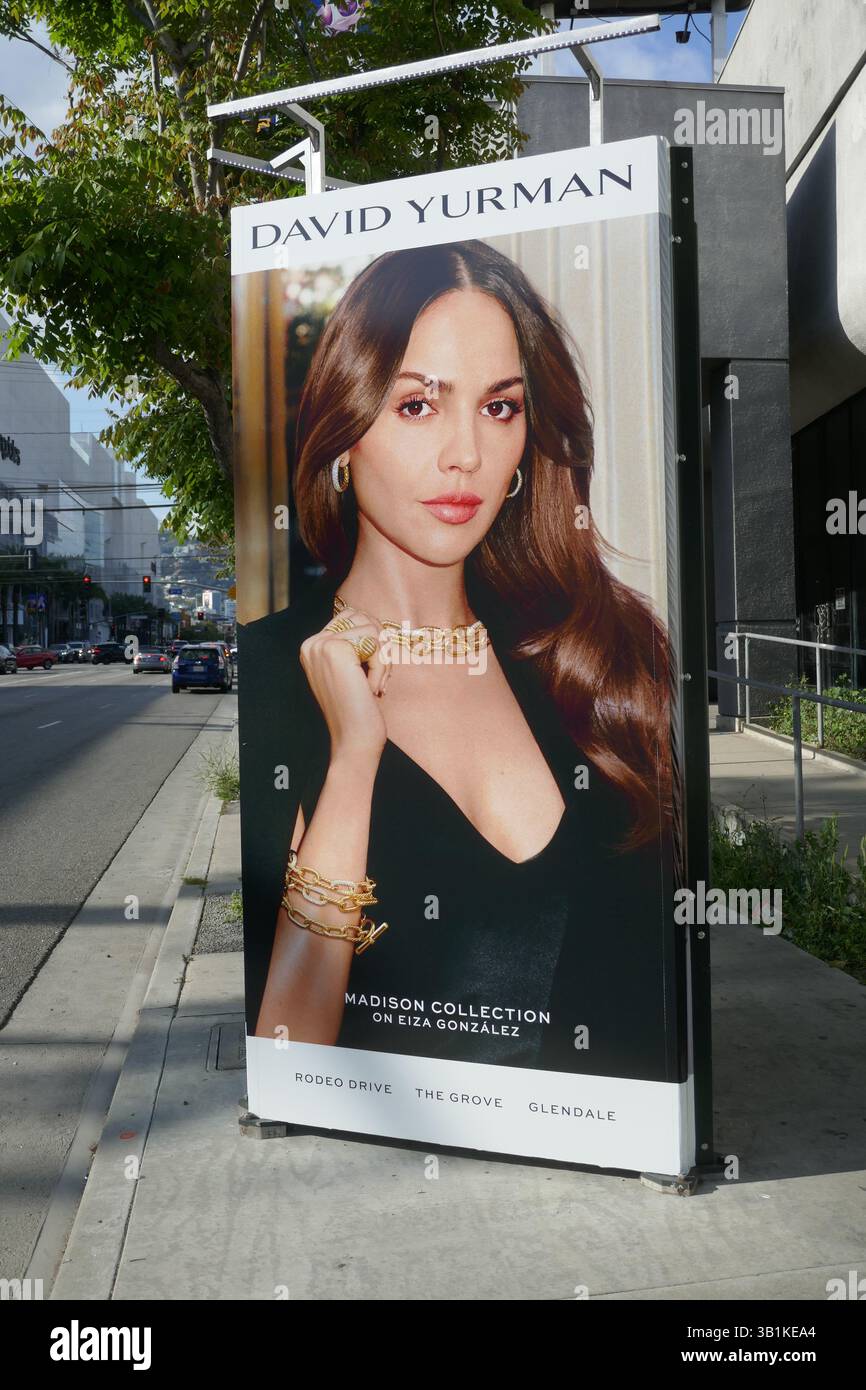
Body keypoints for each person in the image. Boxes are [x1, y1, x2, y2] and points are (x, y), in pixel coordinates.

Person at [243, 239, 682, 1082]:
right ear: (344, 432)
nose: (466, 455)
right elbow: (290, 1059)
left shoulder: (604, 655)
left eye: (499, 407)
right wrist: (355, 760)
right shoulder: (268, 675)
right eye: (417, 405)